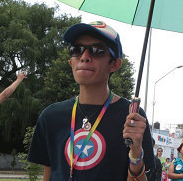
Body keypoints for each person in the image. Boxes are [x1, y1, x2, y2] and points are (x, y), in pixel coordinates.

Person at [27, 21, 155, 181]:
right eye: (77, 50)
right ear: (71, 62)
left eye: (97, 51)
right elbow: (49, 174)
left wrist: (136, 153)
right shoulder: (51, 116)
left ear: (115, 64)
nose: (85, 57)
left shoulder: (132, 117)